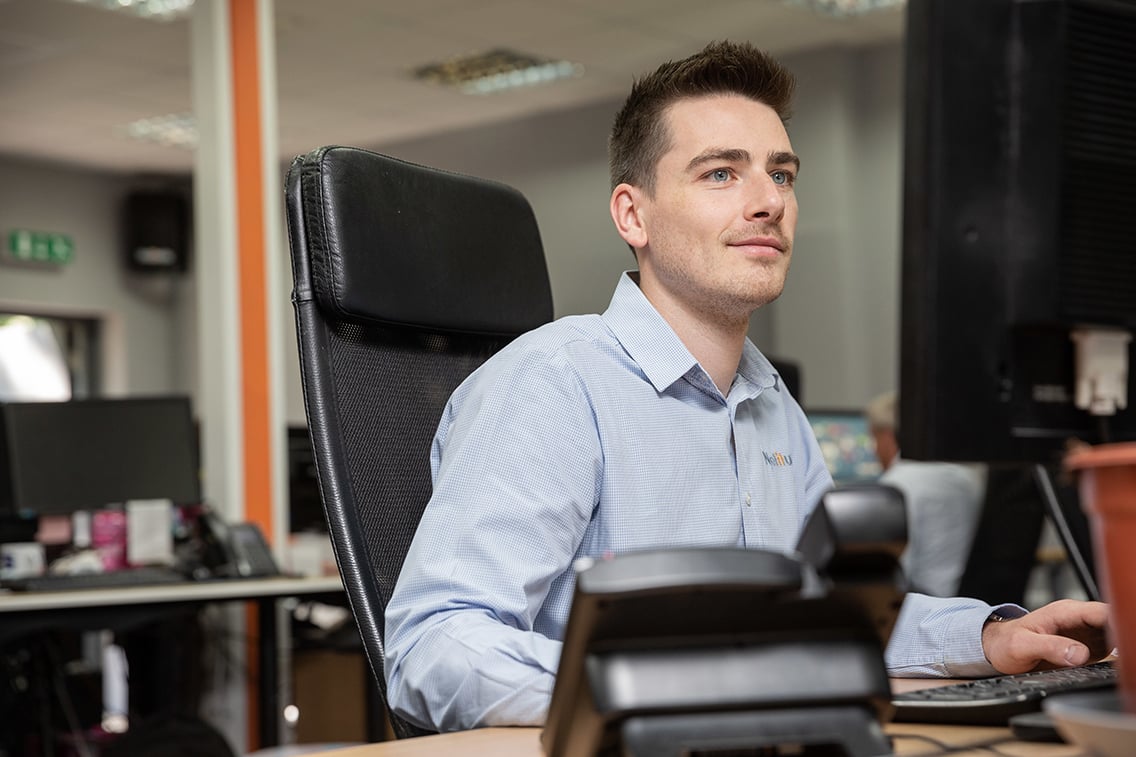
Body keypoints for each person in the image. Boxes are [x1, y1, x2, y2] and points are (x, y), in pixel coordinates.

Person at [384, 40, 1110, 732]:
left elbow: (832, 614)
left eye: (782, 173)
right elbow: (434, 648)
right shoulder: (553, 384)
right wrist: (672, 683)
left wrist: (990, 637)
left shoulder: (771, 406)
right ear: (632, 214)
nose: (769, 201)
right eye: (721, 173)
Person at [865, 390, 986, 597]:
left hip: (920, 607)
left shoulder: (897, 485)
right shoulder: (967, 478)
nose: (875, 451)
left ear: (886, 436)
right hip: (968, 603)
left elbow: (894, 568)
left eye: (874, 439)